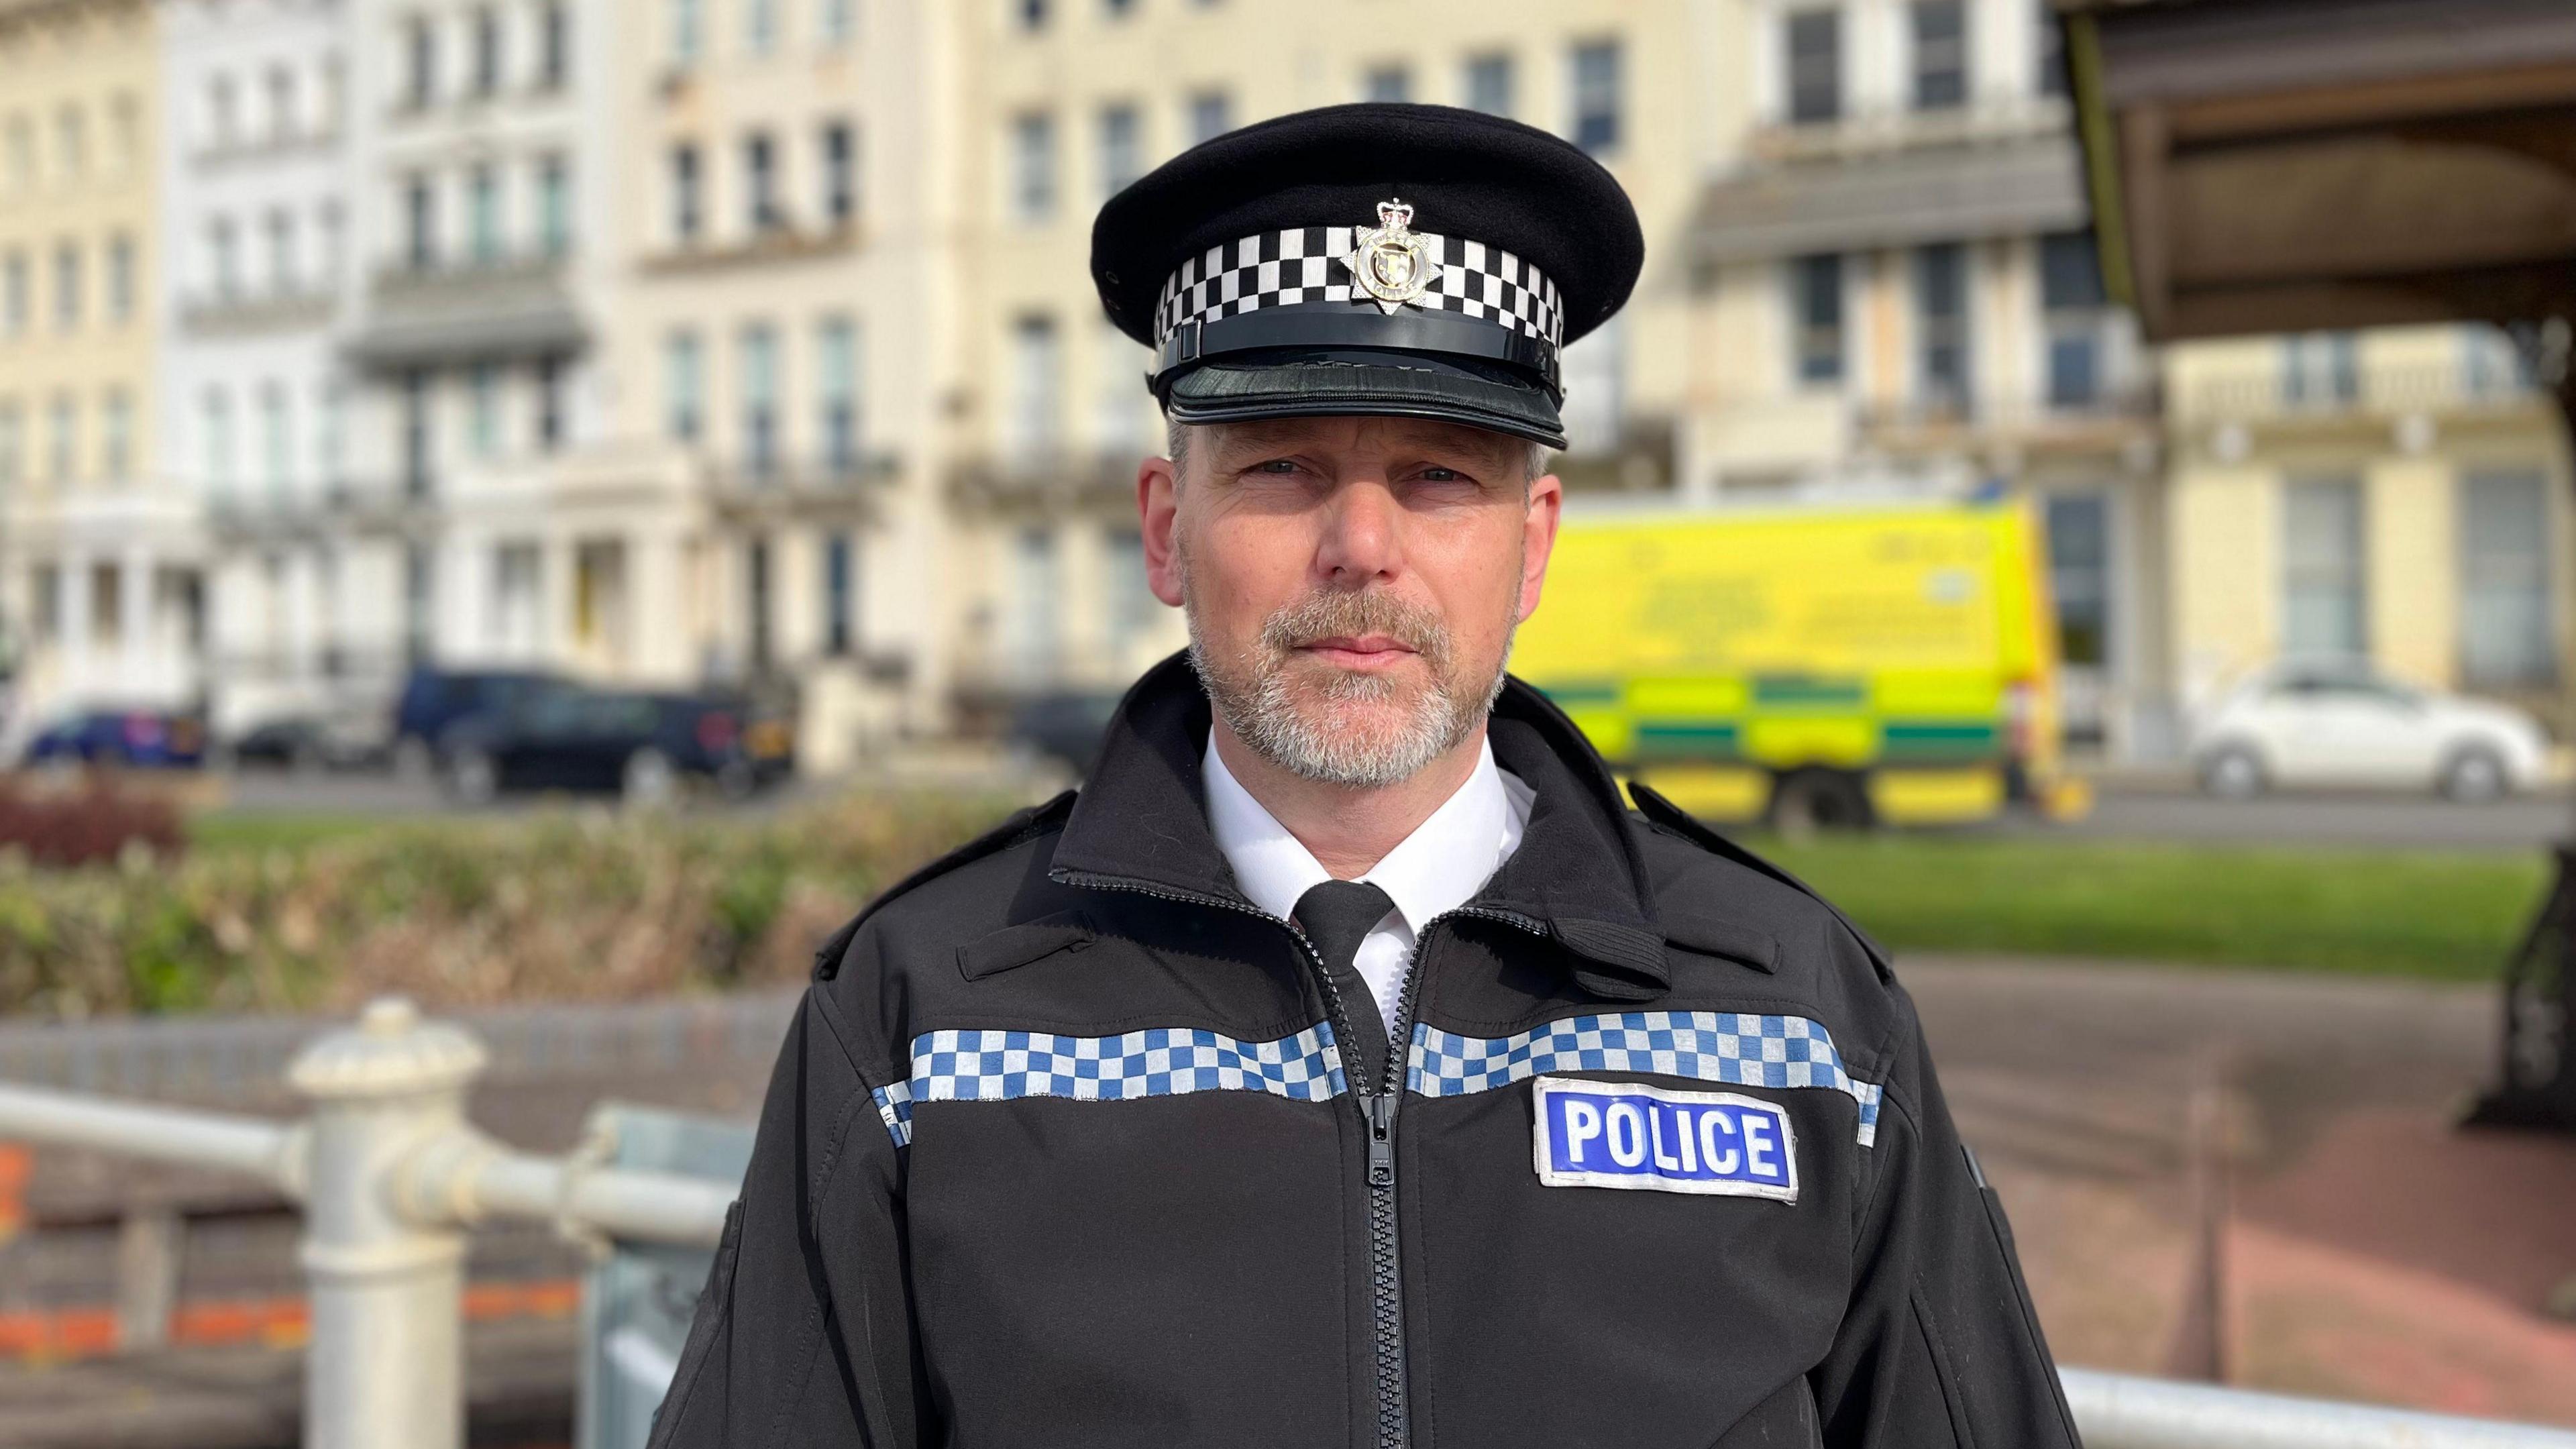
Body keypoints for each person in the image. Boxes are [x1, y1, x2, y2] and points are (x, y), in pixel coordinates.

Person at [648, 102, 2078, 1449]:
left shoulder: (1798, 1015)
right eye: (1281, 468)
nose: (1363, 545)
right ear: (1165, 530)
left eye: (1444, 477)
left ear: (1535, 543)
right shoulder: (919, 1024)